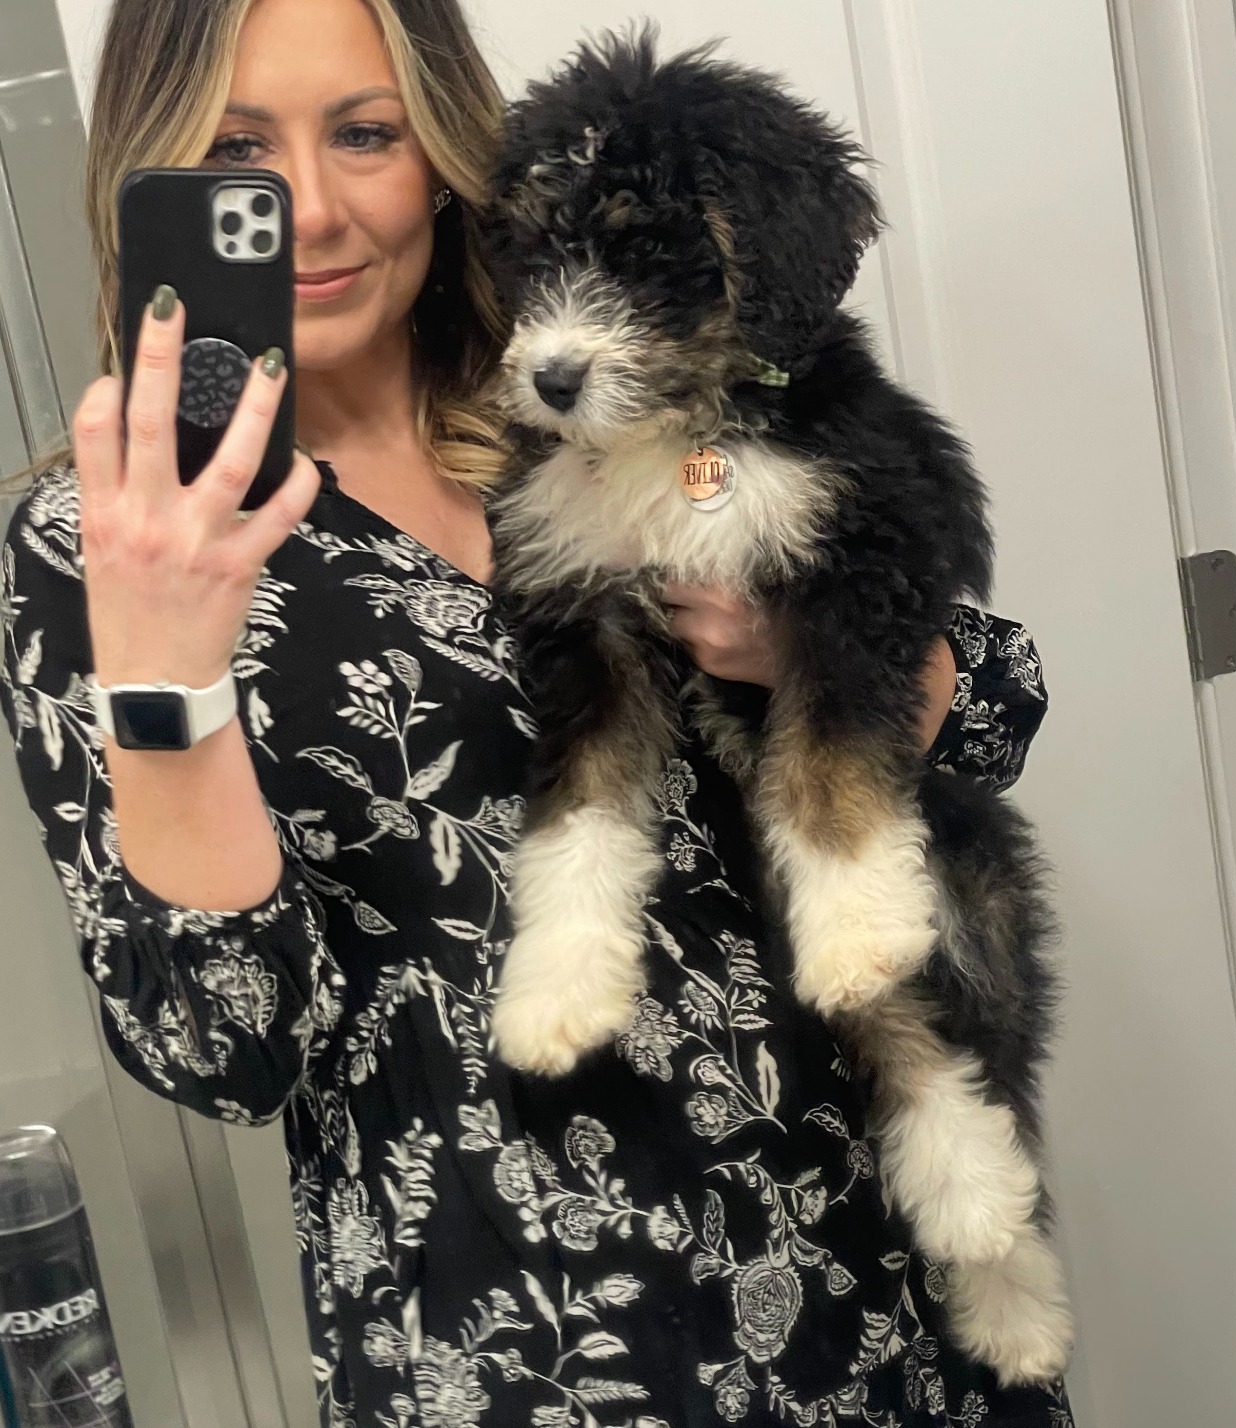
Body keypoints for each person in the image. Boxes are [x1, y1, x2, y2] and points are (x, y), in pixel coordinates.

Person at [0, 1, 1067, 1424]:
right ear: (151, 168)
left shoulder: (607, 388)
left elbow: (991, 704)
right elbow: (220, 1046)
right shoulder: (104, 539)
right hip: (548, 1325)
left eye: (365, 133)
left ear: (445, 153)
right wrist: (162, 669)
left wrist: (815, 649)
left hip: (888, 1235)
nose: (309, 209)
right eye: (237, 148)